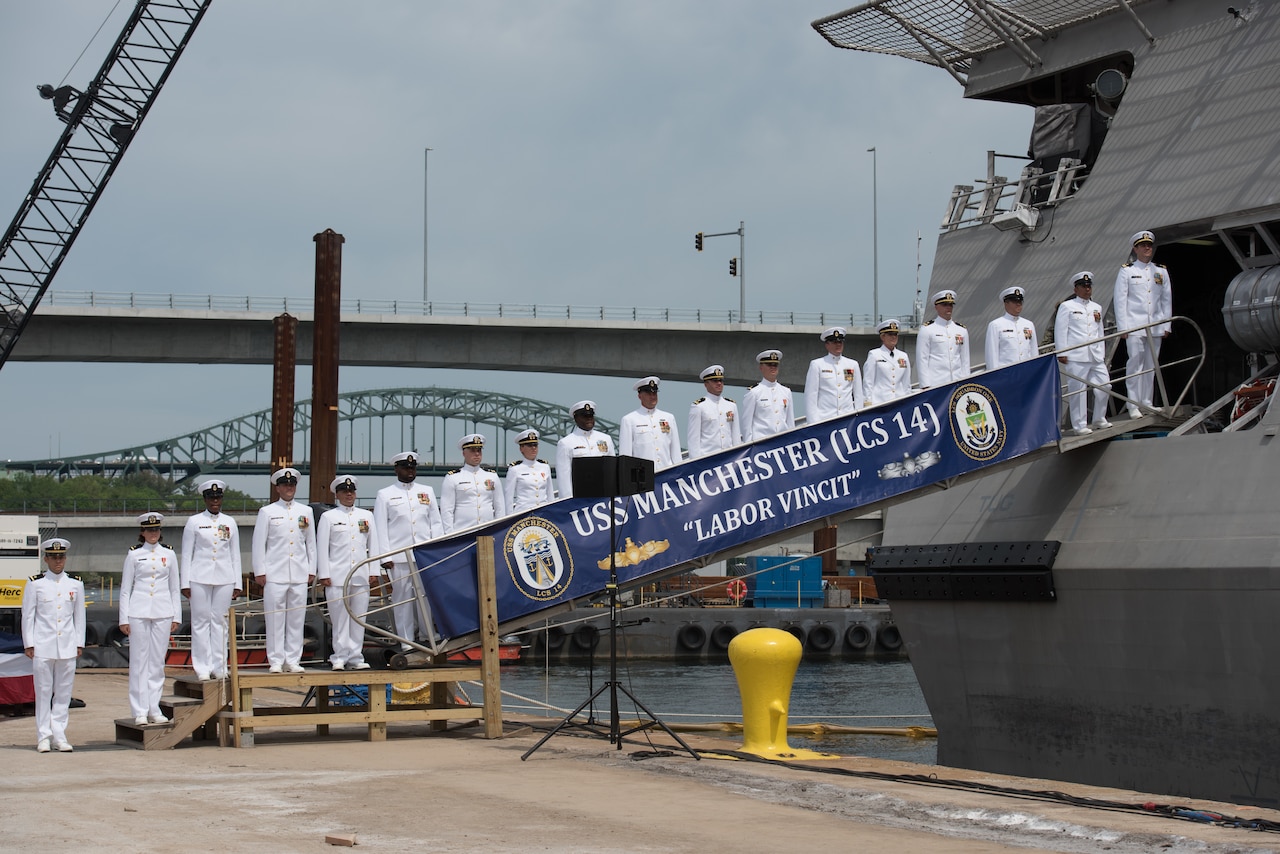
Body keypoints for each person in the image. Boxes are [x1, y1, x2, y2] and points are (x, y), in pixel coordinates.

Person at [373, 451, 443, 648]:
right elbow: (380, 527)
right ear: (396, 469)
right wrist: (384, 555)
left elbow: (435, 523)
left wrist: (435, 549)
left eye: (412, 468)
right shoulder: (385, 494)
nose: (409, 471)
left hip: (423, 554)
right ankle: (406, 639)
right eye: (405, 468)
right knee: (402, 598)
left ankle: (427, 633)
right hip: (397, 555)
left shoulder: (427, 491)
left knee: (426, 596)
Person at [251, 467, 317, 673]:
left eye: (292, 485)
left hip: (298, 573)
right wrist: (260, 571)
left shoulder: (305, 512)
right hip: (275, 573)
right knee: (275, 619)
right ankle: (276, 660)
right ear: (278, 488)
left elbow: (311, 544)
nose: (289, 488)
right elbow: (258, 543)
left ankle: (293, 659)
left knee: (296, 619)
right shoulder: (267, 512)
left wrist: (311, 569)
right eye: (285, 485)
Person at [21, 538, 84, 752]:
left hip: (67, 645)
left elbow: (79, 617)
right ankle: (43, 736)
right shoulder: (35, 583)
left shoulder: (75, 583)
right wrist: (29, 643)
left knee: (63, 693)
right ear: (45, 558)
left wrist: (79, 642)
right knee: (44, 691)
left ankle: (59, 735)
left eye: (61, 556)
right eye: (54, 557)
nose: (58, 561)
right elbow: (28, 616)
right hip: (43, 645)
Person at [120, 513, 181, 725]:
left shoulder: (169, 555)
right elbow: (126, 589)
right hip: (138, 611)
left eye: (156, 530)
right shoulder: (134, 555)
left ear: (160, 532)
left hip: (163, 611)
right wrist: (123, 618)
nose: (153, 533)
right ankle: (139, 710)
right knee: (139, 662)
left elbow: (175, 587)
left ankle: (154, 708)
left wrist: (177, 615)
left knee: (156, 662)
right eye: (149, 530)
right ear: (142, 532)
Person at [180, 478, 242, 681]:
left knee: (220, 622)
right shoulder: (195, 522)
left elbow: (235, 554)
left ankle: (220, 665)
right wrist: (185, 582)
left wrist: (238, 582)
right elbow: (187, 553)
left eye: (217, 497)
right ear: (205, 499)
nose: (215, 501)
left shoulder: (229, 522)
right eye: (211, 497)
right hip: (199, 576)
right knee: (200, 622)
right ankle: (202, 667)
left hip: (225, 577)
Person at [317, 475, 379, 671]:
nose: (349, 494)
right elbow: (322, 547)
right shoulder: (329, 517)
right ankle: (339, 656)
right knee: (340, 618)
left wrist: (374, 570)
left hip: (360, 574)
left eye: (351, 491)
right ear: (337, 495)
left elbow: (373, 545)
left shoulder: (366, 516)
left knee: (359, 617)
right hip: (337, 575)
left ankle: (355, 656)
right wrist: (324, 573)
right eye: (344, 491)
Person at [1114, 229, 1173, 418]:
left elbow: (1166, 299)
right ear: (1135, 248)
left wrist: (1166, 325)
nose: (1147, 248)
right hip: (1134, 326)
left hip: (1155, 325)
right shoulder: (1127, 271)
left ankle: (1147, 402)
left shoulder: (1160, 271)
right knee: (1135, 364)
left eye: (1149, 245)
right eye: (1143, 246)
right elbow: (1120, 300)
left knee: (1151, 366)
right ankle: (1133, 404)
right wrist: (1123, 327)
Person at [1055, 271, 1112, 435]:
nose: (1087, 289)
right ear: (1076, 288)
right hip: (1076, 355)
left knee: (1105, 385)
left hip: (1095, 355)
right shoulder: (1067, 306)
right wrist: (1062, 352)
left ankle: (1099, 418)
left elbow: (1099, 331)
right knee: (1078, 391)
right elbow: (1061, 330)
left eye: (1089, 286)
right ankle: (1080, 425)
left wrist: (1101, 351)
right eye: (1083, 286)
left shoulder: (1096, 307)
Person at [441, 433, 508, 533]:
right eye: (473, 450)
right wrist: (450, 535)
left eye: (479, 450)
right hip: (463, 532)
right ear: (464, 453)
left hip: (488, 532)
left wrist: (499, 531)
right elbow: (447, 510)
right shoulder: (453, 478)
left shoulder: (492, 476)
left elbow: (499, 507)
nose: (477, 454)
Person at [555, 401, 615, 498]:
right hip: (580, 498)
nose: (589, 419)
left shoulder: (606, 439)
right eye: (585, 417)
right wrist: (569, 503)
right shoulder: (566, 443)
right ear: (576, 418)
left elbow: (613, 471)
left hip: (604, 496)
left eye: (591, 416)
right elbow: (564, 478)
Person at [619, 376, 681, 469]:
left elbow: (675, 451)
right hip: (642, 477)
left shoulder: (668, 418)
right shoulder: (629, 420)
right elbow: (625, 455)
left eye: (654, 393)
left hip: (667, 474)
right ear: (639, 396)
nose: (652, 396)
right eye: (648, 393)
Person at [804, 326, 862, 423]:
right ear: (827, 345)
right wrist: (813, 423)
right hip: (825, 420)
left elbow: (858, 395)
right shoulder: (817, 365)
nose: (838, 345)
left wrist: (858, 418)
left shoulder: (852, 364)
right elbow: (811, 396)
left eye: (840, 342)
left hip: (848, 418)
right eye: (834, 342)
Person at [915, 290, 970, 388]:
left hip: (958, 382)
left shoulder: (961, 330)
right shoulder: (927, 329)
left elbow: (965, 360)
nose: (948, 307)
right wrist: (925, 385)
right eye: (945, 305)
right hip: (936, 384)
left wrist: (966, 381)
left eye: (951, 305)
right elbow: (922, 359)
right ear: (936, 306)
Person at [686, 365, 741, 459]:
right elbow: (693, 440)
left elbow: (736, 435)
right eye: (715, 381)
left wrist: (739, 457)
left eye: (721, 380)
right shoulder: (699, 406)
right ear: (706, 384)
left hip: (730, 458)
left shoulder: (731, 405)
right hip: (708, 459)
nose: (719, 383)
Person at [740, 349, 794, 441]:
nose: (773, 367)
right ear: (761, 367)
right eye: (769, 365)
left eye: (775, 365)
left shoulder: (786, 391)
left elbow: (790, 423)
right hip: (762, 443)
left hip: (782, 442)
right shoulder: (754, 392)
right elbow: (746, 425)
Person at [985, 286, 1038, 370]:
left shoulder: (1029, 324)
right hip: (1007, 373)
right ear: (1006, 303)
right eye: (1014, 301)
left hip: (1027, 372)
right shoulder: (996, 325)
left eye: (1020, 301)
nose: (1018, 304)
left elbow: (1034, 351)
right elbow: (992, 355)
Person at [862, 319, 913, 407]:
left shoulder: (903, 356)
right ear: (883, 337)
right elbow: (868, 382)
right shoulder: (874, 355)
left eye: (895, 334)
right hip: (880, 403)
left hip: (899, 401)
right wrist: (868, 402)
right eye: (890, 335)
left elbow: (906, 383)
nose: (893, 337)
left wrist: (907, 400)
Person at [505, 428, 552, 512]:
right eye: (530, 445)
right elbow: (508, 497)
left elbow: (550, 494)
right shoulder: (515, 469)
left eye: (535, 445)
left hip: (544, 512)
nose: (533, 448)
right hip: (523, 513)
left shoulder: (545, 467)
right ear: (521, 448)